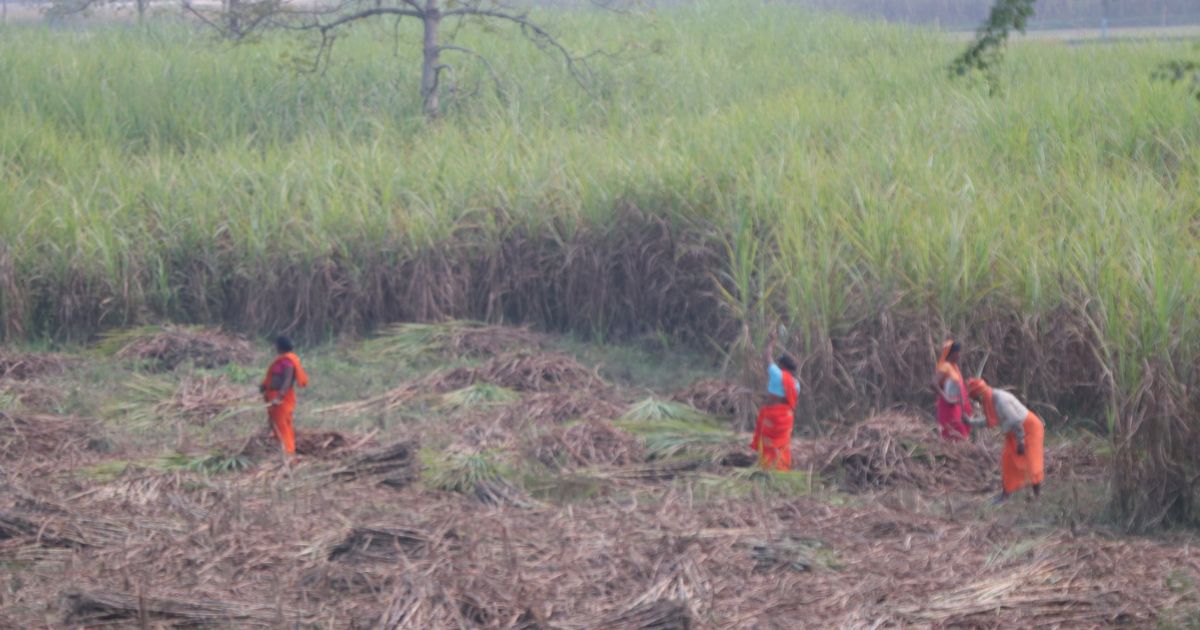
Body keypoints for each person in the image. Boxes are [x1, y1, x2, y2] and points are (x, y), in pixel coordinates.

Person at [965, 378, 1045, 503]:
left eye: (975, 398)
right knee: (1008, 461)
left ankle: (1037, 496)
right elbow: (991, 420)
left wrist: (1021, 442)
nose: (976, 401)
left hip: (1029, 429)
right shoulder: (990, 399)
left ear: (980, 394)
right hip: (1015, 432)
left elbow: (1015, 420)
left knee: (1032, 462)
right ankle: (1006, 495)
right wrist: (970, 422)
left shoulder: (1000, 400)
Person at [750, 330, 800, 471]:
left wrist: (772, 342)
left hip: (773, 417)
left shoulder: (777, 374)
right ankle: (781, 469)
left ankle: (767, 469)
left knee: (768, 444)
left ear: (782, 366)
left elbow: (767, 358)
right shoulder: (796, 384)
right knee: (782, 446)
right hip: (786, 418)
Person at [260, 336, 309, 456]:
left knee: (282, 426)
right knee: (277, 424)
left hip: (280, 397)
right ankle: (283, 450)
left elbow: (288, 380)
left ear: (279, 346)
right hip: (273, 394)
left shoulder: (287, 361)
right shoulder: (283, 359)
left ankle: (288, 453)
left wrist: (279, 397)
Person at [931, 339, 972, 441]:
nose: (959, 355)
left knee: (959, 433)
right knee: (954, 433)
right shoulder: (946, 367)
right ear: (952, 353)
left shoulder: (954, 367)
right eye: (958, 353)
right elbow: (933, 383)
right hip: (949, 408)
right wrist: (946, 398)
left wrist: (964, 409)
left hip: (956, 406)